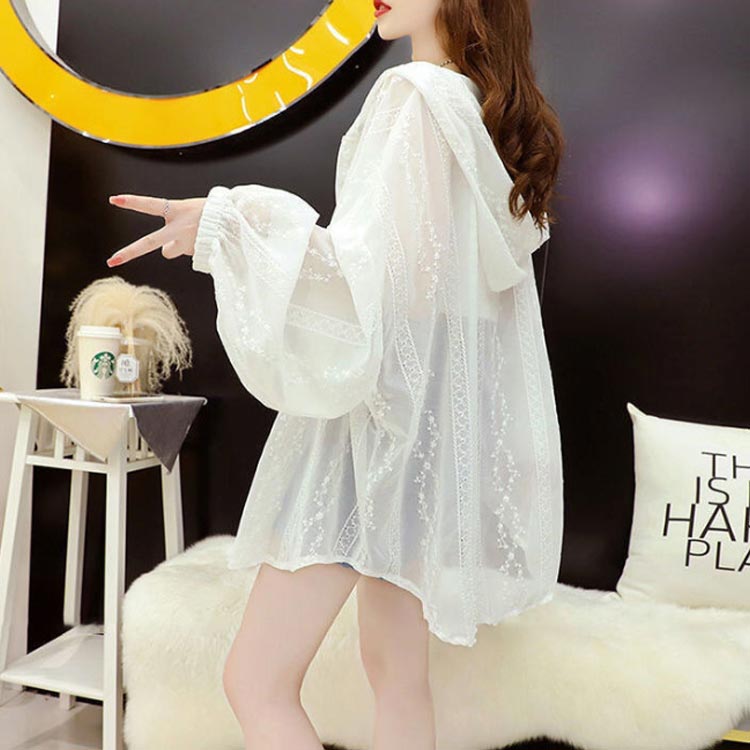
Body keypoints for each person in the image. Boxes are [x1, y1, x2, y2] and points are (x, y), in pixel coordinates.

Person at [105, 0, 566, 747]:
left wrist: (229, 224)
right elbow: (430, 295)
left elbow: (377, 284)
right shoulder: (474, 114)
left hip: (370, 427)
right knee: (398, 678)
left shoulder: (414, 95)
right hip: (427, 438)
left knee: (255, 681)